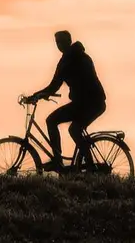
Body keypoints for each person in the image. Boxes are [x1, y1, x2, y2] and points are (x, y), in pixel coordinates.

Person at [26, 30, 107, 172]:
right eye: (57, 42)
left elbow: (54, 86)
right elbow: (54, 85)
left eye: (61, 42)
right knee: (73, 129)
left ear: (68, 42)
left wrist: (37, 95)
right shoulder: (75, 57)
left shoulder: (70, 60)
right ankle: (84, 165)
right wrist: (39, 94)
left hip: (90, 103)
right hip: (88, 102)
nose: (59, 45)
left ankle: (74, 164)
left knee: (57, 123)